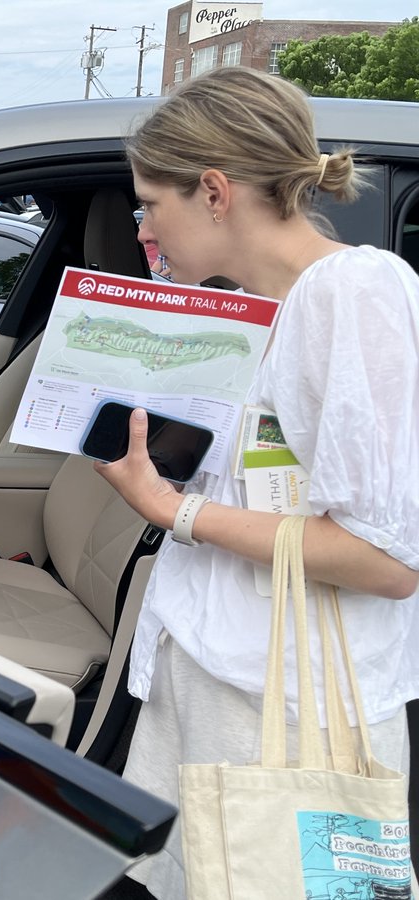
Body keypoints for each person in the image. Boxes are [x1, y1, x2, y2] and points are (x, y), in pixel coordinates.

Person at [96, 66, 419, 899]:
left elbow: (386, 558)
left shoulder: (354, 295)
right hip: (217, 692)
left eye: (149, 206)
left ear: (213, 191)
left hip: (291, 724)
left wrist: (174, 510)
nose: (144, 231)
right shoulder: (247, 310)